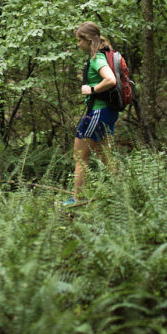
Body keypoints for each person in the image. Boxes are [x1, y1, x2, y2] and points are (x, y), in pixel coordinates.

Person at [63, 21, 117, 206]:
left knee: (80, 156)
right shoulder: (106, 54)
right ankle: (124, 189)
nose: (78, 44)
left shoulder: (97, 58)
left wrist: (92, 90)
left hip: (98, 112)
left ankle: (77, 199)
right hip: (107, 112)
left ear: (87, 40)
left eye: (79, 40)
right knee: (104, 155)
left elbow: (111, 80)